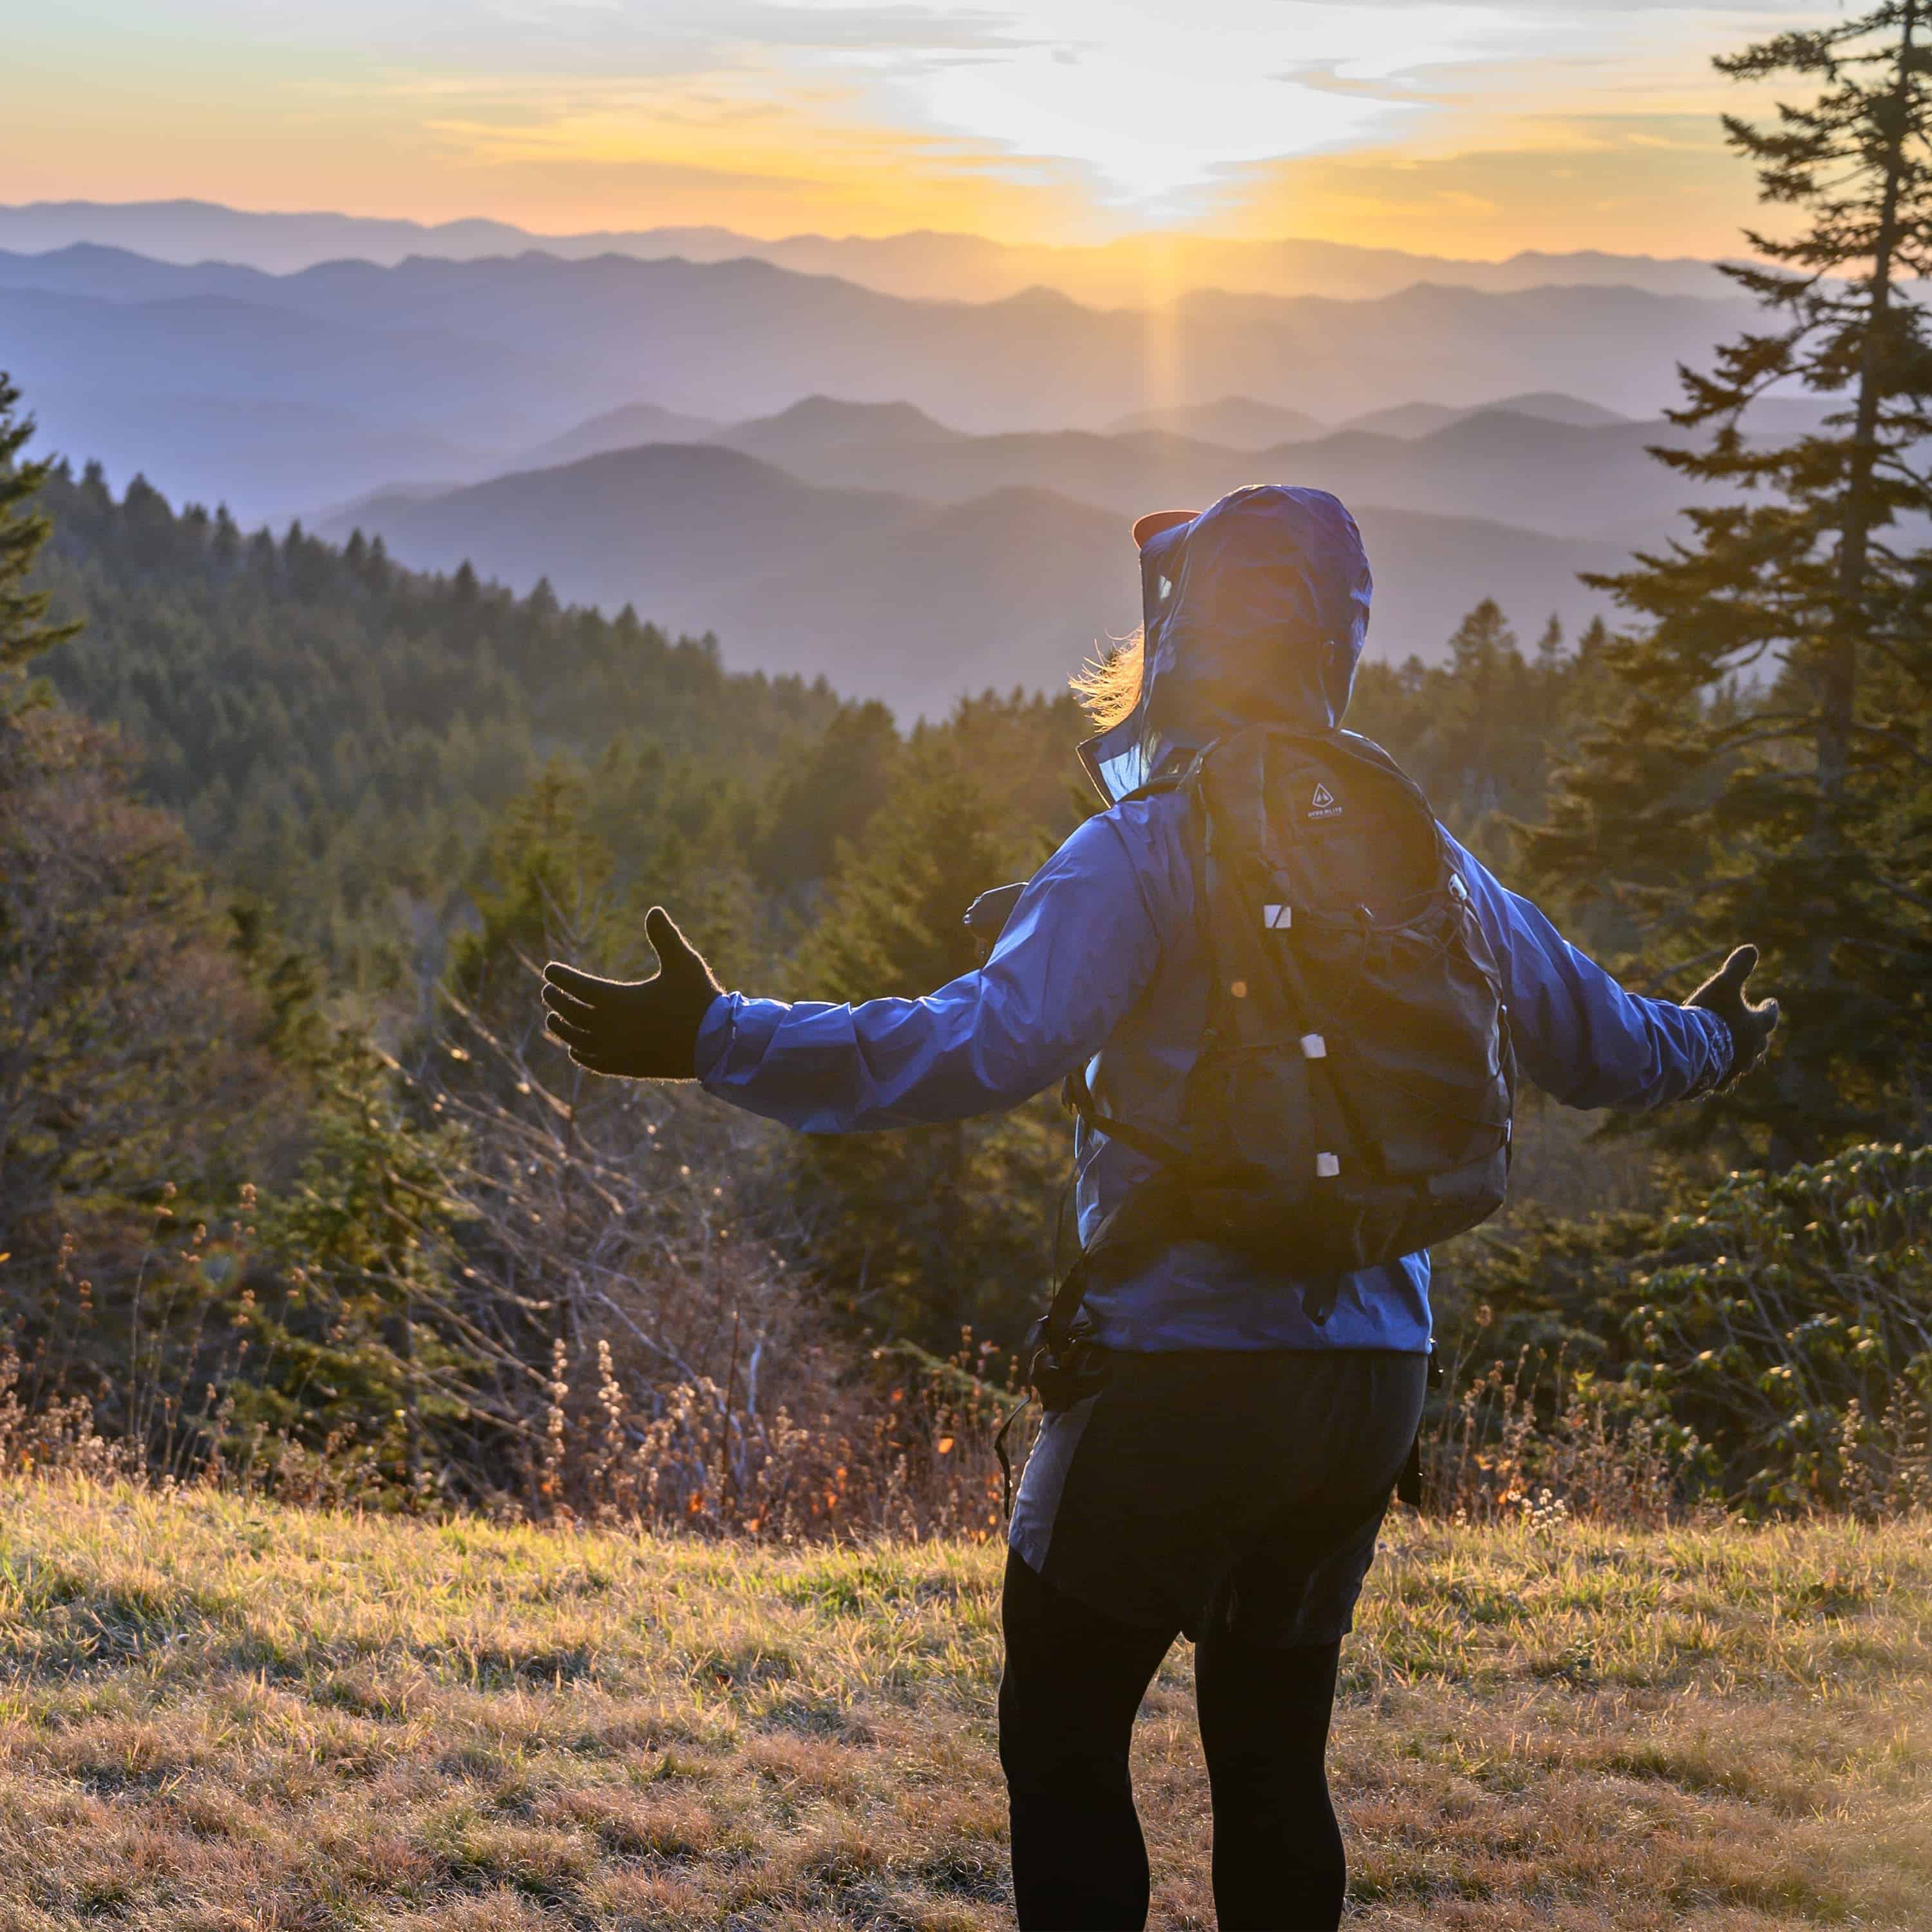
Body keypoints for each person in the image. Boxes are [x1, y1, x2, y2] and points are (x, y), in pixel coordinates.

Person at [539, 485, 1779, 1932]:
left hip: (1177, 1374)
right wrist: (1724, 1039)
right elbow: (1608, 1042)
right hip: (1369, 1381)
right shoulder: (1422, 857)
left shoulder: (1145, 847)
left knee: (1063, 1742)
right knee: (1271, 1761)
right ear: (1341, 641)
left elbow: (976, 1047)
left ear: (1187, 638)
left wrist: (717, 1037)